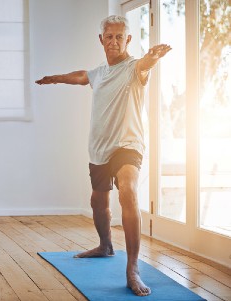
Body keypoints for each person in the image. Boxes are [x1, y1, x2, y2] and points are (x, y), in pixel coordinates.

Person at [36, 15, 171, 296]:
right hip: (99, 147)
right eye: (109, 36)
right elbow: (80, 76)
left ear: (128, 39)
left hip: (127, 145)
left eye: (120, 37)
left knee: (128, 191)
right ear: (101, 39)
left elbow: (145, 66)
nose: (114, 42)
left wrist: (152, 59)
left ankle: (132, 268)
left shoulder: (135, 67)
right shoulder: (98, 73)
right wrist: (54, 79)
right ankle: (105, 245)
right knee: (98, 201)